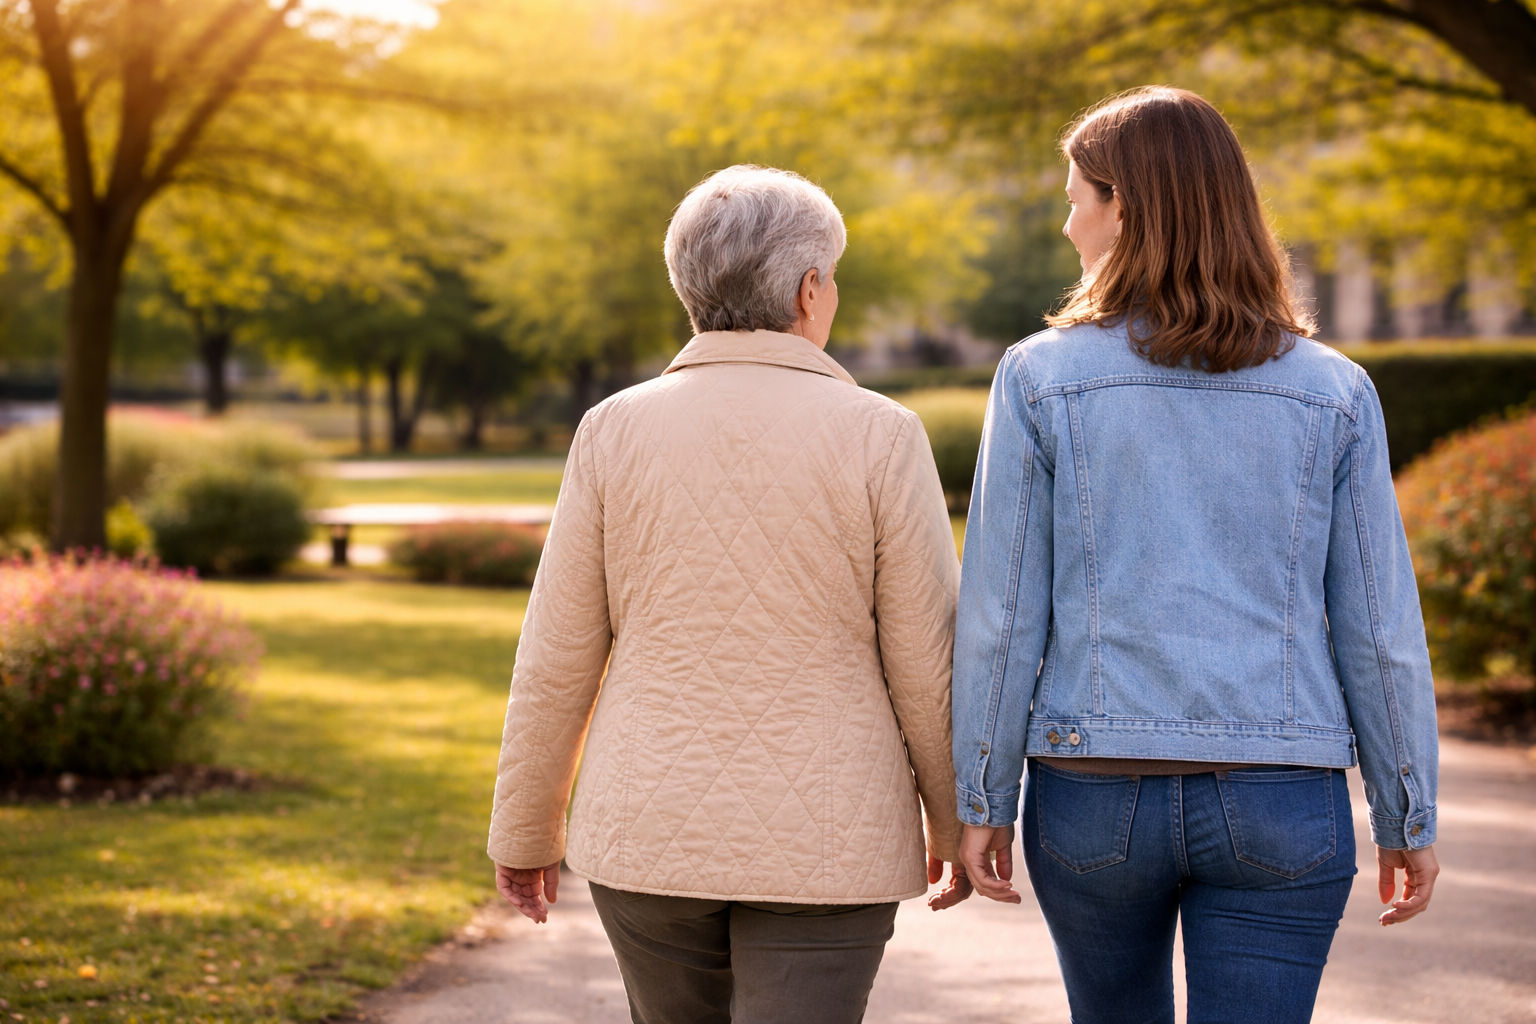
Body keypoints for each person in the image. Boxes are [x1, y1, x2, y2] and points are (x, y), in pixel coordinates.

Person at [951, 86, 1439, 1024]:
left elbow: (1002, 616)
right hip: (1282, 798)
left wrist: (983, 797)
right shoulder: (1334, 392)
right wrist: (1407, 810)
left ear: (1123, 207)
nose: (1067, 225)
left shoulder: (1039, 377)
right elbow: (1380, 630)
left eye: (1076, 200)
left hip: (1093, 796)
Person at [487, 163, 971, 1024]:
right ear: (809, 289)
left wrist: (525, 831)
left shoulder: (612, 428)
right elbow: (927, 659)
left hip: (647, 827)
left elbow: (556, 654)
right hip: (830, 835)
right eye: (833, 278)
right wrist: (954, 822)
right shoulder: (883, 434)